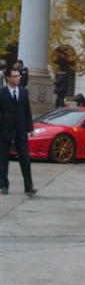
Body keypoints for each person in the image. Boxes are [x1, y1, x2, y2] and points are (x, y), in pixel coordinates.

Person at [0, 67, 36, 196]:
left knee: (25, 159)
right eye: (15, 76)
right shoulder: (2, 93)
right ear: (8, 78)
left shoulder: (23, 92)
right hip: (5, 130)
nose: (19, 77)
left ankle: (29, 187)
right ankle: (4, 186)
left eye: (19, 75)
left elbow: (27, 111)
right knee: (3, 159)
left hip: (21, 130)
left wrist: (30, 128)